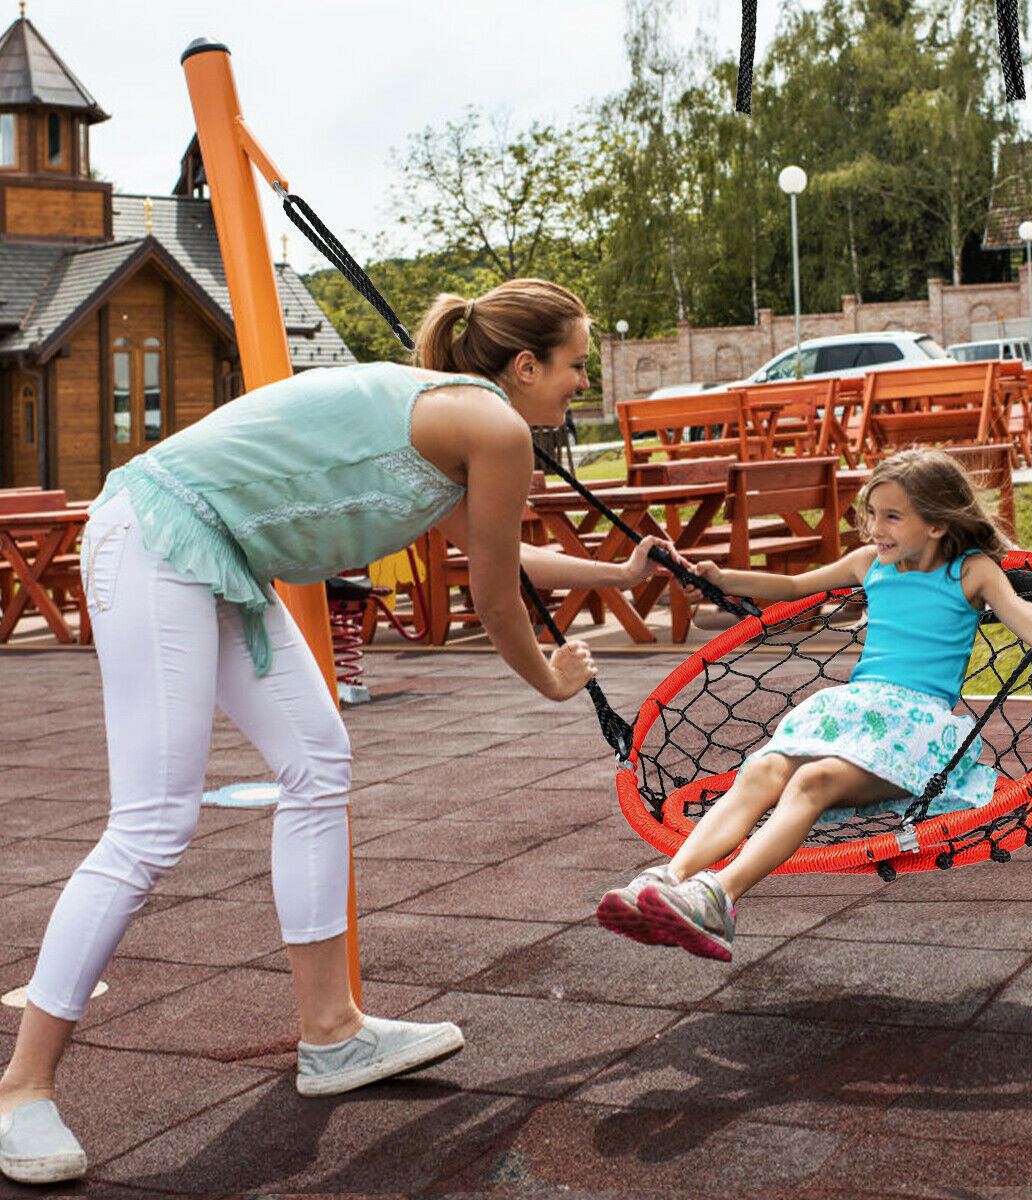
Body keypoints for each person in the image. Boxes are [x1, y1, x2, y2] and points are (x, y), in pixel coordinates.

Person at [0, 278, 682, 1185]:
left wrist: (615, 572)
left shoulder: (459, 418)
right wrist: (550, 680)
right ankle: (21, 1088)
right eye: (575, 365)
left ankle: (331, 1033)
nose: (581, 384)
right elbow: (491, 598)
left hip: (219, 553)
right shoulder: (496, 427)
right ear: (526, 366)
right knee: (155, 820)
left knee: (319, 763)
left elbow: (495, 551)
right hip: (159, 536)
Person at [597, 447, 1032, 963]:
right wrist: (719, 578)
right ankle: (672, 878)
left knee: (809, 782)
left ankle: (719, 898)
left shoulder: (972, 571)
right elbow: (794, 587)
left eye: (892, 517)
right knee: (763, 769)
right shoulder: (870, 563)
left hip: (914, 735)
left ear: (938, 524)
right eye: (872, 513)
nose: (875, 528)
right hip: (854, 715)